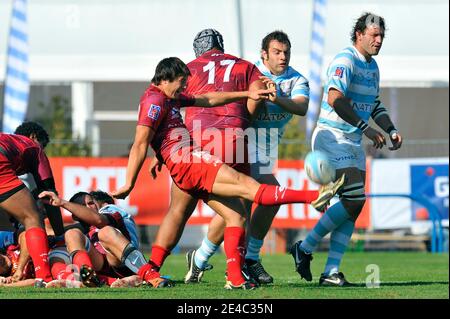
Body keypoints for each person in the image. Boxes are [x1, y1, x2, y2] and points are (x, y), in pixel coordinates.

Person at [111, 56, 343, 289]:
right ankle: (314, 197)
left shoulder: (167, 97)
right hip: (191, 162)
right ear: (164, 79)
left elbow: (208, 98)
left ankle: (230, 277)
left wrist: (245, 94)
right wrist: (129, 183)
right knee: (251, 188)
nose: (184, 86)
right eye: (181, 81)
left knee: (236, 217)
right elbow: (141, 142)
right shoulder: (154, 100)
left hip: (187, 163)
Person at [185, 30, 319, 285]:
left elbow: (301, 107)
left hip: (267, 148)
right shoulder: (249, 73)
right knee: (270, 194)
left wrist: (276, 97)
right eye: (277, 52)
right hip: (241, 141)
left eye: (286, 52)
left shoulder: (296, 80)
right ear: (263, 55)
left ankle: (200, 260)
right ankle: (249, 259)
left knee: (237, 208)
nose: (283, 57)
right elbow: (235, 106)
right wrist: (255, 97)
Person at [290, 12, 403, 286]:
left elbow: (374, 104)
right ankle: (304, 248)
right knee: (355, 200)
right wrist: (367, 129)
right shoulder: (345, 60)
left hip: (352, 141)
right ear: (359, 35)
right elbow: (335, 98)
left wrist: (390, 129)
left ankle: (330, 272)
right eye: (374, 35)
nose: (378, 41)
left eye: (381, 36)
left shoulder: (372, 67)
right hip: (332, 137)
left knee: (352, 206)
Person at [39, 190, 146, 288]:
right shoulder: (85, 230)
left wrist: (62, 202)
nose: (87, 208)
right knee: (62, 245)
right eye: (81, 206)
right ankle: (89, 279)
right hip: (104, 265)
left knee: (106, 232)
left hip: (123, 262)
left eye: (90, 203)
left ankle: (144, 275)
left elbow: (98, 220)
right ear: (75, 216)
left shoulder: (110, 210)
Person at [0, 127, 60, 286]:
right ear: (33, 137)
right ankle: (44, 277)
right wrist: (60, 233)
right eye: (43, 145)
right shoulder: (33, 147)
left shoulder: (9, 141)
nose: (43, 150)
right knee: (32, 218)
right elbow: (49, 195)